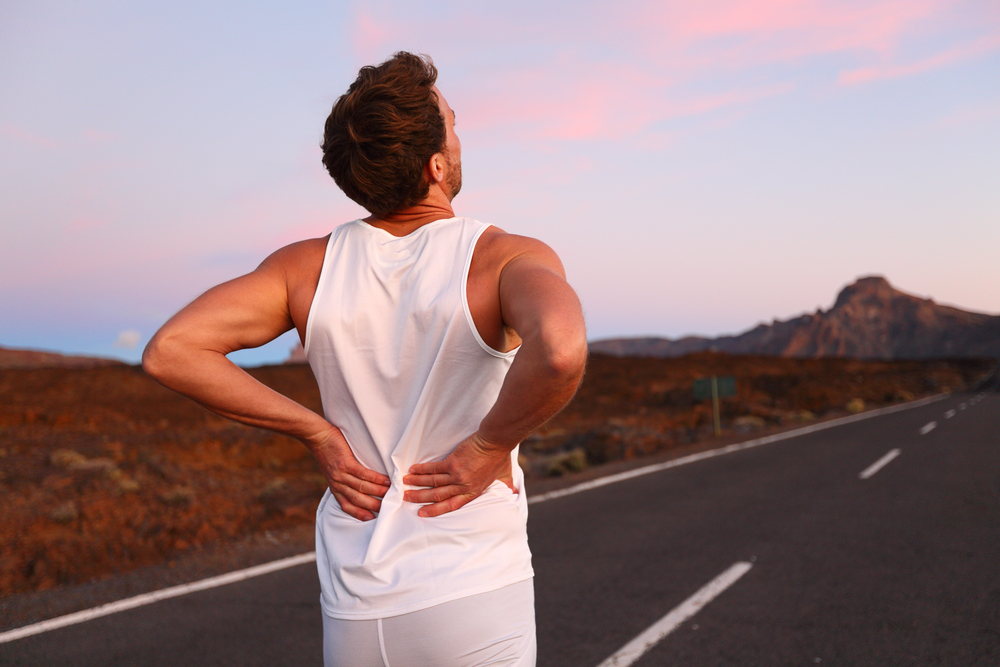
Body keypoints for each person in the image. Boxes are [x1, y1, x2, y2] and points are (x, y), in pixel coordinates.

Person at [143, 51, 587, 667]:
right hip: (473, 587)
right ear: (436, 164)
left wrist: (316, 433)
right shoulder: (501, 257)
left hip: (355, 606)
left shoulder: (305, 267)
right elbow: (562, 351)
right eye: (453, 124)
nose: (460, 137)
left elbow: (171, 350)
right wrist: (487, 447)